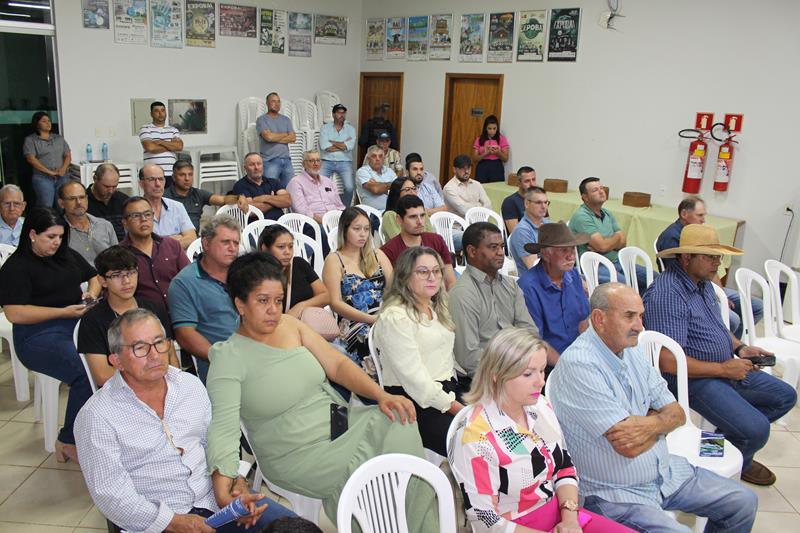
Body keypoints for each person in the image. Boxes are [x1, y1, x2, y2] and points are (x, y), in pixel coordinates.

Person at [205, 253, 438, 530]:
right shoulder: (228, 357)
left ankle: (416, 525)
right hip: (296, 450)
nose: (273, 310)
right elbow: (224, 428)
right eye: (262, 301)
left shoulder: (290, 325)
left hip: (338, 424)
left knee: (400, 420)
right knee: (372, 473)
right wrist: (224, 488)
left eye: (278, 300)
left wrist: (382, 395)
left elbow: (338, 364)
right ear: (240, 304)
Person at [548, 283, 758, 532]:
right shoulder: (579, 365)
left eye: (640, 315)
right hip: (615, 494)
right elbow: (627, 445)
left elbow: (677, 413)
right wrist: (658, 421)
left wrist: (646, 424)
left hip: (665, 472)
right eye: (629, 316)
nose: (639, 325)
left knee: (743, 501)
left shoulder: (631, 349)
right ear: (599, 318)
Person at [75, 308, 294, 533]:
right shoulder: (97, 416)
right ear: (116, 360)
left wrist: (235, 483)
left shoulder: (189, 385)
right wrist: (173, 522)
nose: (154, 355)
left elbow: (216, 444)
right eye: (140, 348)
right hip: (159, 520)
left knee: (297, 528)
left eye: (159, 342)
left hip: (214, 500)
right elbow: (111, 495)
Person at [644, 224, 797, 486]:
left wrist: (740, 348)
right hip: (691, 378)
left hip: (721, 368)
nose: (717, 263)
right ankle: (723, 461)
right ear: (685, 257)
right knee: (756, 429)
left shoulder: (702, 284)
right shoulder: (668, 294)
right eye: (709, 256)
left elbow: (718, 327)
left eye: (718, 256)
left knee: (785, 396)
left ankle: (728, 448)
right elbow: (667, 362)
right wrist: (724, 370)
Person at [450, 327, 635, 533]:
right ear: (496, 375)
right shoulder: (476, 436)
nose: (541, 381)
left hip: (559, 513)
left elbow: (564, 466)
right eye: (528, 374)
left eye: (542, 370)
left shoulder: (540, 406)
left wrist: (570, 519)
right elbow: (484, 519)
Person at [0, 207, 101, 463]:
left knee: (109, 358)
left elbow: (95, 277)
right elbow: (15, 313)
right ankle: (67, 441)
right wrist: (62, 312)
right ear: (32, 234)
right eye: (50, 237)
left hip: (73, 324)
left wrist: (90, 293)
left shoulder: (65, 255)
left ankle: (100, 430)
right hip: (36, 337)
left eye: (60, 236)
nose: (57, 242)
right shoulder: (17, 267)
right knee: (84, 372)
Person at [373, 246, 463, 456]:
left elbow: (445, 358)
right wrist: (459, 409)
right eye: (423, 272)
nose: (432, 277)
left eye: (436, 271)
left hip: (446, 391)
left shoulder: (435, 308)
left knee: (497, 423)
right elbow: (415, 381)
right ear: (405, 276)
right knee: (472, 442)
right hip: (414, 403)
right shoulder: (396, 317)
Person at [655, 196, 762, 339]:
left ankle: (731, 342)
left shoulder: (701, 238)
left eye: (717, 257)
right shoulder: (672, 237)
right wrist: (718, 297)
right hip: (693, 289)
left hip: (707, 286)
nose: (703, 220)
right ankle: (723, 340)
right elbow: (683, 276)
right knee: (733, 319)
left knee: (757, 306)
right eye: (700, 215)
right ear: (684, 214)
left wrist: (721, 293)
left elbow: (709, 272)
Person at [78, 245, 176, 387]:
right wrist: (147, 370)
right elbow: (102, 376)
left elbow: (171, 356)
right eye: (117, 275)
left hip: (162, 385)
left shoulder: (155, 308)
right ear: (102, 281)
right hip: (120, 392)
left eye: (131, 273)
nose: (126, 281)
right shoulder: (92, 320)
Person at [449, 222, 537, 380]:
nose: (500, 253)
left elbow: (529, 331)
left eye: (502, 247)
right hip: (486, 379)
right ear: (472, 251)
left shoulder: (510, 285)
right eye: (493, 247)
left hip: (520, 368)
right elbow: (468, 357)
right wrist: (510, 371)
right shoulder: (463, 293)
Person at [168, 215, 241, 384]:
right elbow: (185, 334)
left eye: (236, 243)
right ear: (206, 244)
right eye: (225, 242)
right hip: (221, 365)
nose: (232, 248)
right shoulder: (184, 283)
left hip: (259, 351)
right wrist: (220, 357)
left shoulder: (246, 272)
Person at [322, 206, 393, 364]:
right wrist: (370, 319)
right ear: (345, 230)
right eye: (357, 229)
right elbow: (335, 303)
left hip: (384, 315)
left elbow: (394, 289)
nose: (363, 234)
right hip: (354, 322)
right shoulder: (334, 260)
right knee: (375, 338)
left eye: (367, 229)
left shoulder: (378, 255)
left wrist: (389, 313)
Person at [518, 223, 590, 373]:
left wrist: (588, 355)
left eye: (572, 249)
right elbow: (536, 342)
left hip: (579, 357)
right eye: (564, 250)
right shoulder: (528, 288)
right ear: (545, 254)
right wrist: (566, 366)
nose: (571, 256)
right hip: (549, 366)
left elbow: (584, 321)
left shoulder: (573, 275)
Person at [569, 176, 648, 290]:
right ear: (585, 197)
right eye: (595, 190)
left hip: (616, 261)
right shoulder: (581, 216)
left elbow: (623, 241)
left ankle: (643, 306)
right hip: (595, 264)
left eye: (602, 188)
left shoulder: (607, 213)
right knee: (625, 285)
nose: (601, 191)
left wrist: (607, 243)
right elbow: (602, 245)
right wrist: (614, 240)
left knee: (653, 278)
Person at [120, 196, 190, 309]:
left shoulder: (171, 245)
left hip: (181, 310)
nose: (143, 219)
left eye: (147, 214)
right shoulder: (119, 254)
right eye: (136, 216)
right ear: (125, 223)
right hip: (145, 318)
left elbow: (189, 278)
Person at [381, 195, 456, 289]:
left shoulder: (436, 240)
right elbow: (392, 288)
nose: (420, 221)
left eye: (422, 215)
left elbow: (450, 280)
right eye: (413, 217)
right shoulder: (388, 250)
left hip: (439, 297)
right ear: (399, 220)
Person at [258, 224, 330, 318]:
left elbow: (326, 296)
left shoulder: (299, 264)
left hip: (307, 324)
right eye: (281, 247)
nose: (287, 252)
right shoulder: (257, 274)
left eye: (291, 246)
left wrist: (301, 306)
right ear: (265, 248)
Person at [286, 149, 344, 256]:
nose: (315, 163)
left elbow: (339, 206)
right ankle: (325, 266)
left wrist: (344, 220)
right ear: (304, 164)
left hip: (332, 222)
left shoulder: (328, 181)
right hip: (310, 224)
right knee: (323, 231)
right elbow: (302, 210)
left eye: (318, 160)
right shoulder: (296, 182)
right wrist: (325, 222)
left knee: (356, 228)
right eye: (311, 161)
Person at [164, 160, 248, 232]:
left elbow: (223, 200)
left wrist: (239, 197)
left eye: (190, 174)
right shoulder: (164, 196)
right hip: (173, 238)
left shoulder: (198, 194)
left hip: (194, 241)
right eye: (182, 175)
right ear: (174, 177)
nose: (187, 178)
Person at [57, 180, 117, 266]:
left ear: (87, 199)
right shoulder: (58, 231)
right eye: (72, 199)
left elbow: (118, 259)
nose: (78, 202)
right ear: (61, 203)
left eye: (82, 197)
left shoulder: (105, 225)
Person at [139, 164, 196, 249]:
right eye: (152, 179)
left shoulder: (177, 206)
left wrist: (163, 246)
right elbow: (140, 244)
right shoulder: (135, 210)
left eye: (161, 179)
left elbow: (191, 237)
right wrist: (173, 241)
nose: (158, 184)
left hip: (177, 259)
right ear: (141, 184)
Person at [23, 111, 72, 207]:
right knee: (46, 205)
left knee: (64, 205)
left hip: (62, 177)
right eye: (44, 121)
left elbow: (68, 155)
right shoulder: (30, 140)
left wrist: (63, 169)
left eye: (49, 121)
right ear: (37, 124)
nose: (48, 123)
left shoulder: (58, 138)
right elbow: (31, 159)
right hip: (43, 178)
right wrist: (49, 172)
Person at [233, 152, 292, 221]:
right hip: (258, 227)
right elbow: (250, 210)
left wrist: (266, 198)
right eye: (252, 165)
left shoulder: (273, 182)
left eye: (259, 164)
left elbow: (288, 201)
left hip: (280, 224)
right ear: (245, 168)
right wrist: (275, 201)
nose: (256, 167)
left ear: (263, 166)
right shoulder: (240, 185)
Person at [319, 103, 357, 207]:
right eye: (339, 113)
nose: (342, 115)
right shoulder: (325, 128)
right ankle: (323, 206)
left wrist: (332, 142)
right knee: (319, 184)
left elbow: (349, 146)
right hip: (327, 161)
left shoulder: (351, 129)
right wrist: (343, 144)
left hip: (345, 162)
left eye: (343, 113)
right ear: (333, 114)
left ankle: (344, 209)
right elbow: (324, 146)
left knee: (349, 187)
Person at [139, 101, 183, 188]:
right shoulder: (145, 129)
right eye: (157, 111)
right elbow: (150, 147)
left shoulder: (173, 130)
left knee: (170, 199)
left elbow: (179, 146)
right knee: (153, 199)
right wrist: (170, 146)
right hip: (152, 174)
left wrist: (161, 142)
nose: (160, 113)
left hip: (171, 173)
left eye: (163, 110)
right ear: (151, 114)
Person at [257, 92, 296, 188]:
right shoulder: (262, 120)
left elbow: (293, 138)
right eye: (273, 101)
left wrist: (273, 137)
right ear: (267, 103)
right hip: (270, 161)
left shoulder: (286, 120)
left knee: (291, 190)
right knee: (270, 189)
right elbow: (268, 137)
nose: (277, 104)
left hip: (287, 161)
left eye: (278, 101)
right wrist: (285, 134)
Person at [508, 186, 551, 273]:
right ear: (527, 204)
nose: (544, 206)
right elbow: (533, 267)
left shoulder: (547, 223)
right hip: (536, 281)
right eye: (538, 202)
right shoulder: (522, 231)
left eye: (546, 202)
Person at [86, 163, 129, 241]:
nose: (111, 191)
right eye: (106, 186)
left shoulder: (124, 200)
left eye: (114, 186)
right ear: (95, 179)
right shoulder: (83, 201)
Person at [356, 145, 396, 211]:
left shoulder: (389, 171)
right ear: (368, 158)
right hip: (374, 212)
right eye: (374, 156)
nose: (377, 159)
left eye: (380, 156)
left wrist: (379, 185)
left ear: (384, 158)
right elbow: (376, 189)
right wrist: (390, 186)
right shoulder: (362, 171)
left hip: (393, 210)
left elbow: (398, 187)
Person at [472, 115, 509, 183]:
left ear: (497, 128)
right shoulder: (479, 139)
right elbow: (474, 159)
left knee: (496, 189)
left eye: (494, 128)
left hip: (496, 166)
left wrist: (498, 153)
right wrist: (486, 153)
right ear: (485, 128)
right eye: (489, 128)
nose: (492, 131)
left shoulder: (502, 138)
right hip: (482, 166)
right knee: (481, 189)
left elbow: (505, 159)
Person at [501, 165, 537, 232]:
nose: (532, 184)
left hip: (540, 239)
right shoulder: (510, 202)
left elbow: (546, 226)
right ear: (519, 183)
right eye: (527, 181)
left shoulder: (539, 200)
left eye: (533, 179)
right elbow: (515, 233)